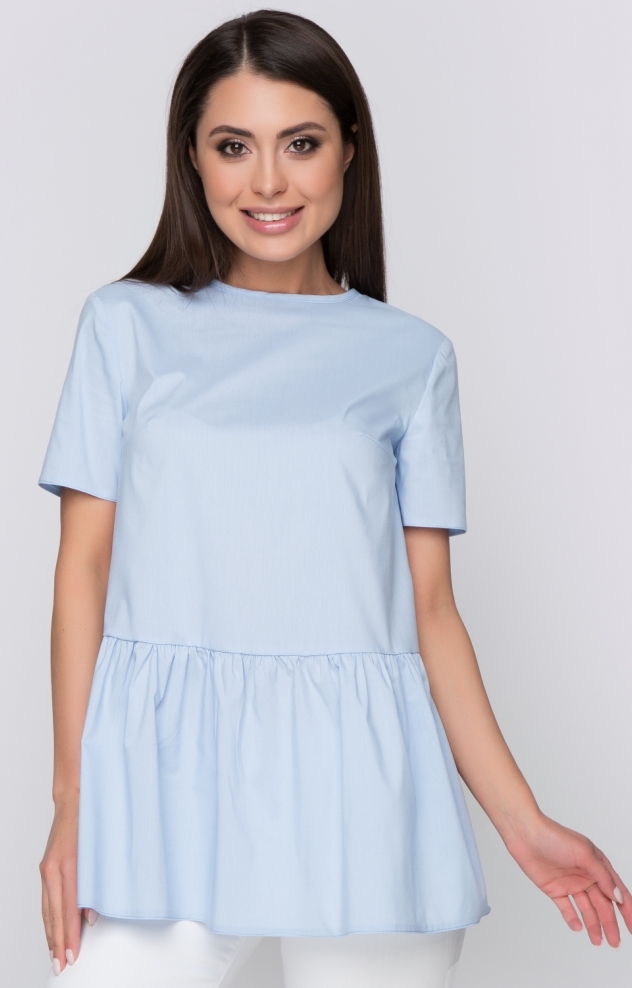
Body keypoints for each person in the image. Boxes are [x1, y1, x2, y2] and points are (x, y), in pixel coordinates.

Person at [38, 10, 631, 988]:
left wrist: (521, 822)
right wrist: (73, 805)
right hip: (163, 792)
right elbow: (83, 570)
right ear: (191, 157)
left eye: (301, 144)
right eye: (234, 146)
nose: (268, 183)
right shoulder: (123, 326)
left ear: (348, 150)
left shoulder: (411, 357)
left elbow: (430, 611)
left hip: (365, 794)